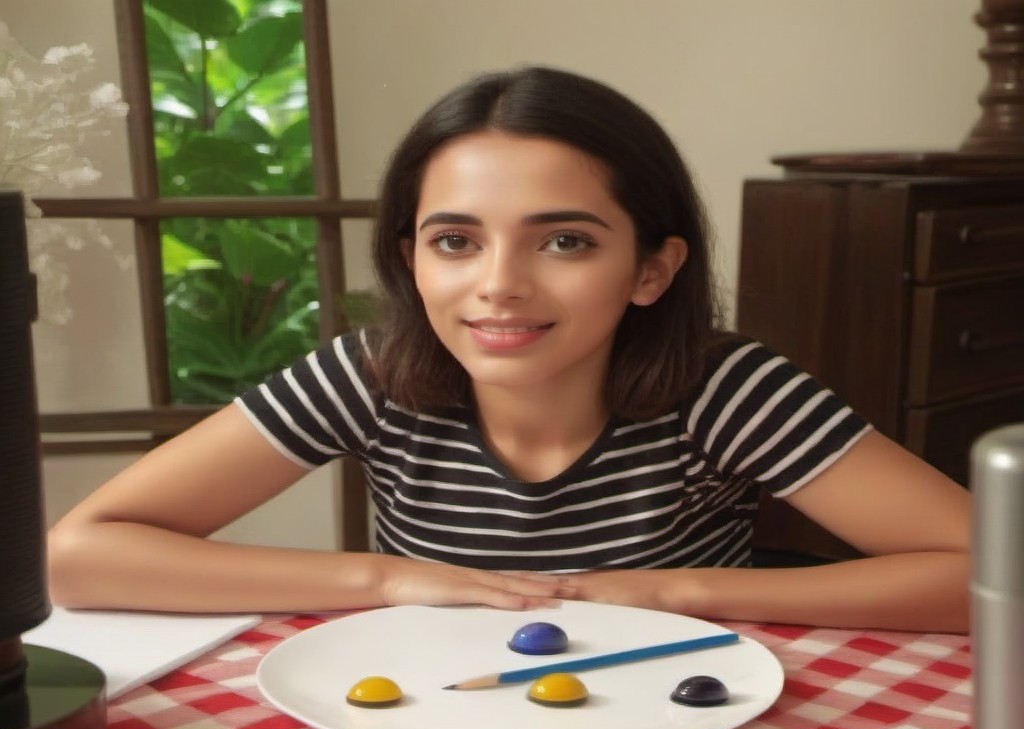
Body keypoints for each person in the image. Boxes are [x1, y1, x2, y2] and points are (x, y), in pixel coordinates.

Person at [47, 66, 970, 632]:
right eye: (456, 241)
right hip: (430, 725)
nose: (500, 285)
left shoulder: (726, 390)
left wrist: (684, 593)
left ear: (651, 268)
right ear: (411, 260)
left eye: (564, 241)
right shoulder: (369, 375)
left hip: (681, 727)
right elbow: (80, 556)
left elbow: (988, 572)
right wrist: (385, 578)